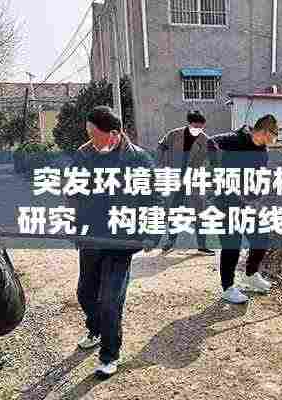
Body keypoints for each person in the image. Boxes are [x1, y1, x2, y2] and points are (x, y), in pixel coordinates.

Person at [66, 106, 158, 378]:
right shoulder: (84, 155)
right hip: (91, 238)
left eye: (95, 135)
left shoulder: (138, 159)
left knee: (109, 299)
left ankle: (109, 354)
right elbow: (72, 193)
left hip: (121, 241)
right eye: (89, 134)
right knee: (85, 293)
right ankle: (95, 329)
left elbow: (154, 198)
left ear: (115, 134)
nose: (90, 140)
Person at [212, 115, 278, 304]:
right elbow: (209, 144)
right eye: (273, 136)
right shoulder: (235, 139)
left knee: (261, 237)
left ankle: (251, 274)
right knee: (232, 244)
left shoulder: (263, 152)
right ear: (264, 132)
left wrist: (258, 198)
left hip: (247, 204)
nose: (273, 141)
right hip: (225, 203)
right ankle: (227, 288)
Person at [157, 110, 220, 256]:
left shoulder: (206, 141)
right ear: (189, 124)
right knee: (174, 210)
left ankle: (202, 246)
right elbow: (161, 147)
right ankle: (170, 242)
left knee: (199, 212)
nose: (199, 130)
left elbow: (215, 161)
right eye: (196, 126)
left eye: (201, 127)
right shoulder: (174, 135)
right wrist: (159, 165)